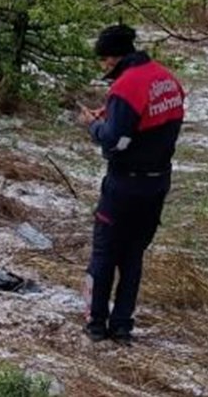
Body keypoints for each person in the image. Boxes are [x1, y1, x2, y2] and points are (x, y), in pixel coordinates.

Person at [77, 23, 185, 345]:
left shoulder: (125, 88)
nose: (102, 67)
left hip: (124, 185)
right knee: (133, 256)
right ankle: (123, 325)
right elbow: (150, 121)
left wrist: (94, 126)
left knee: (104, 254)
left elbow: (115, 142)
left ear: (112, 58)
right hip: (157, 184)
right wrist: (112, 115)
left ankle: (96, 323)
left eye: (103, 60)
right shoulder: (168, 79)